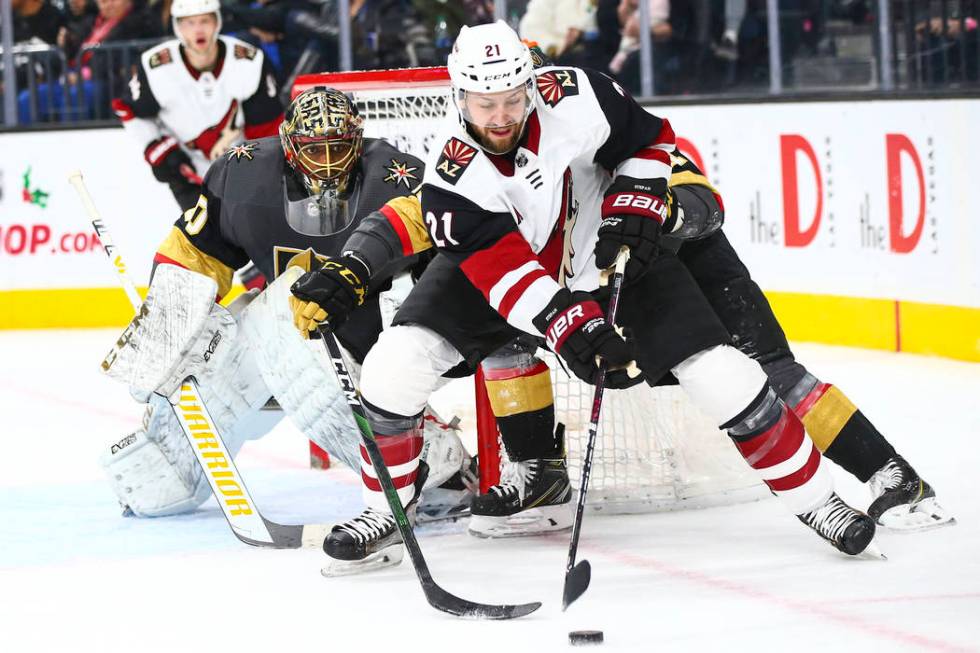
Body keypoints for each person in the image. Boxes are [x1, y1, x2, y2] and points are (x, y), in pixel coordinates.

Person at [289, 20, 881, 566]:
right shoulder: (455, 176)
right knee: (393, 366)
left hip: (615, 256)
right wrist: (569, 325)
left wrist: (641, 199)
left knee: (722, 372)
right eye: (485, 103)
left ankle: (818, 499)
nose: (500, 117)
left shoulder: (580, 95)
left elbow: (654, 146)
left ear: (534, 84)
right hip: (513, 270)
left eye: (512, 100)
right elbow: (505, 274)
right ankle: (388, 508)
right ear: (460, 96)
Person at [100, 88, 476, 552]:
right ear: (288, 142)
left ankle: (430, 458)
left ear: (358, 142)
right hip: (283, 332)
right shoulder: (242, 174)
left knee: (287, 321)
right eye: (313, 148)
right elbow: (194, 256)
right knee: (156, 483)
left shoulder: (398, 179)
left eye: (338, 147)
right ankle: (169, 461)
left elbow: (447, 272)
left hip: (370, 343)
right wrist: (164, 338)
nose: (326, 162)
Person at [111, 0, 283, 213]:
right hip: (188, 175)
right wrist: (160, 150)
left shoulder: (249, 61)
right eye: (190, 23)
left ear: (217, 22)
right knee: (207, 241)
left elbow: (267, 125)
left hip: (240, 174)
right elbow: (131, 112)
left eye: (204, 21)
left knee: (249, 238)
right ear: (178, 27)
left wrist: (261, 172)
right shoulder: (155, 67)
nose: (198, 29)